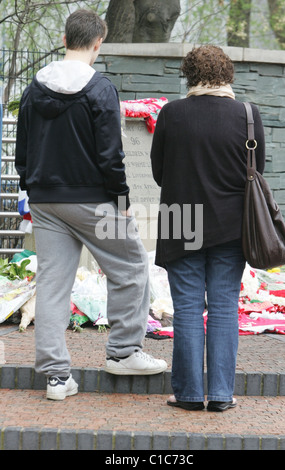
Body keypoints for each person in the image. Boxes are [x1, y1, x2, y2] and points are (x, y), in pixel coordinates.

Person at [15, 9, 167, 401]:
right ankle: (123, 351)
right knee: (132, 265)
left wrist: (34, 190)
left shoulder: (33, 89)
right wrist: (123, 200)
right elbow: (111, 156)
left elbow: (22, 151)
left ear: (64, 40)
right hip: (94, 202)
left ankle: (55, 378)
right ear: (98, 43)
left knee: (52, 284)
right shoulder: (100, 89)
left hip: (47, 200)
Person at [150, 45, 265, 412]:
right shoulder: (248, 114)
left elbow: (158, 172)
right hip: (232, 225)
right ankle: (219, 394)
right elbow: (256, 172)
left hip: (181, 220)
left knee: (185, 308)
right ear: (228, 75)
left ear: (189, 76)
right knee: (224, 306)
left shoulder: (172, 114)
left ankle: (186, 394)